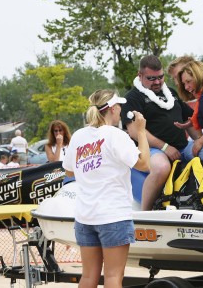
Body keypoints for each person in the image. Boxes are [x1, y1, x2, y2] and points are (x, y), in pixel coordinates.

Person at [63, 89, 150, 288]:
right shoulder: (115, 135)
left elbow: (69, 171)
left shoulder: (78, 136)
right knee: (112, 277)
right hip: (113, 215)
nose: (121, 109)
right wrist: (141, 131)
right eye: (118, 105)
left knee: (88, 277)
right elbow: (144, 164)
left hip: (85, 216)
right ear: (112, 109)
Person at [120, 55, 201, 210]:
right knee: (161, 167)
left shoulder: (171, 93)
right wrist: (164, 147)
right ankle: (145, 213)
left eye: (160, 77)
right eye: (151, 78)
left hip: (182, 147)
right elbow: (135, 131)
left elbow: (188, 120)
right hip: (152, 150)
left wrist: (200, 140)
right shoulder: (132, 98)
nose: (157, 82)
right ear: (140, 76)